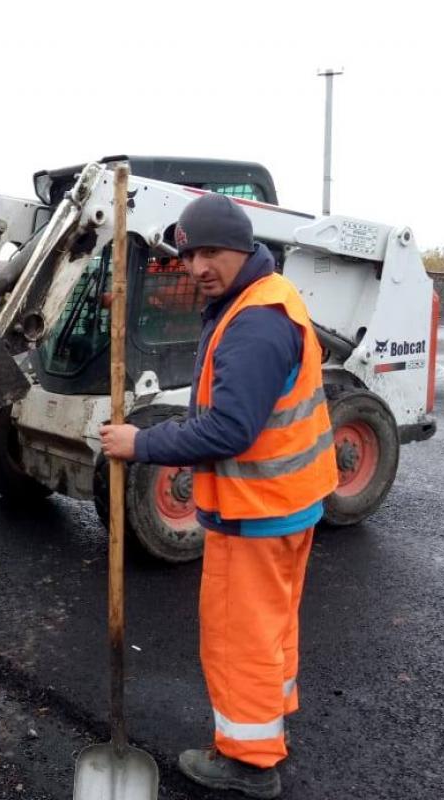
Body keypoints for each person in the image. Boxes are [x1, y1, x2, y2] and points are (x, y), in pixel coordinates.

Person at [99, 193, 337, 799]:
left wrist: (140, 442)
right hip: (288, 501)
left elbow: (231, 430)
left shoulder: (254, 323)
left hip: (255, 511)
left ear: (240, 246)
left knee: (238, 639)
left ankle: (250, 761)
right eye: (188, 256)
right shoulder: (261, 298)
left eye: (209, 252)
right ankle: (272, 719)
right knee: (272, 624)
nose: (198, 266)